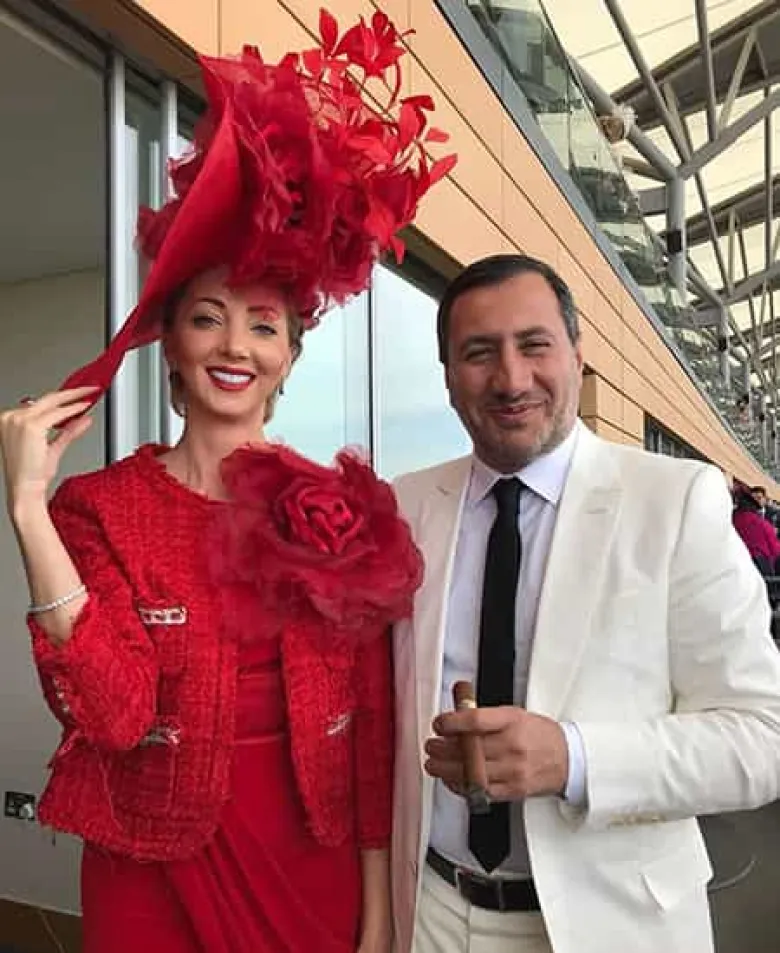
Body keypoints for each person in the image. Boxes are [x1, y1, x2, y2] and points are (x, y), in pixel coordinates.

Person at [0, 12, 454, 953]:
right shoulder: (98, 509)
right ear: (170, 341)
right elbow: (115, 714)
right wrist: (28, 509)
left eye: (264, 324)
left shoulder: (343, 512)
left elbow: (373, 729)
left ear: (289, 356)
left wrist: (379, 915)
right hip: (147, 866)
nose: (235, 344)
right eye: (208, 317)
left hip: (310, 862)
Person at [390, 254, 780, 953]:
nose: (511, 379)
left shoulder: (674, 501)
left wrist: (574, 759)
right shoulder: (406, 505)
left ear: (577, 352)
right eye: (479, 353)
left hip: (609, 923)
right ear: (447, 375)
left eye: (534, 344)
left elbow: (761, 737)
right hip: (430, 914)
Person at [732, 483, 780, 576]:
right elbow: (775, 549)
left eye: (759, 498)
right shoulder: (761, 523)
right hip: (759, 565)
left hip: (736, 565)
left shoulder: (732, 519)